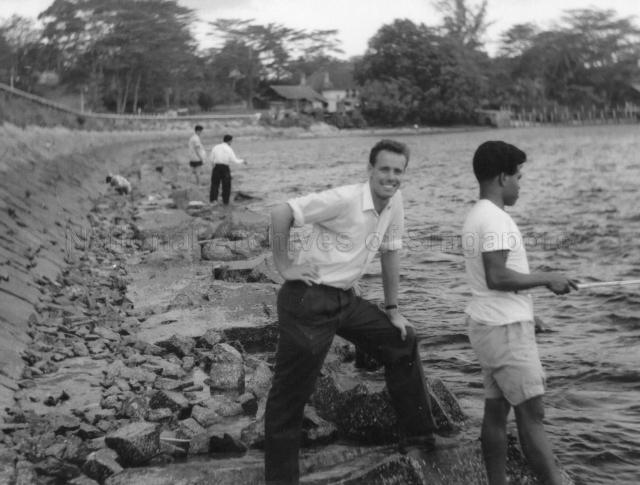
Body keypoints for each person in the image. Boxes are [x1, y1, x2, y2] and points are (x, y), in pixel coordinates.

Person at [265, 139, 447, 485]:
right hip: (307, 300)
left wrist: (393, 309)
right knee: (290, 398)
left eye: (398, 171)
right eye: (384, 169)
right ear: (370, 170)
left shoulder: (395, 202)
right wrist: (285, 266)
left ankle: (420, 441)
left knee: (401, 340)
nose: (391, 177)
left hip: (345, 301)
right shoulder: (347, 198)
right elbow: (280, 212)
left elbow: (391, 251)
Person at [461, 141, 577, 485]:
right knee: (532, 414)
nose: (519, 184)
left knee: (496, 412)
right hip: (504, 330)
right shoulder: (495, 219)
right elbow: (498, 276)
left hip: (492, 326)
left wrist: (528, 315)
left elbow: (488, 281)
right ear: (501, 177)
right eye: (517, 177)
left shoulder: (476, 215)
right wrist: (549, 279)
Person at [209, 134, 246, 205]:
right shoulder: (229, 149)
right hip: (225, 168)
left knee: (214, 184)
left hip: (216, 167)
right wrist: (243, 161)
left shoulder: (216, 147)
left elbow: (211, 158)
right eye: (231, 141)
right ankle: (225, 201)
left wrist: (213, 166)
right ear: (229, 141)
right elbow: (235, 160)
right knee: (226, 185)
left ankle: (213, 201)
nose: (231, 143)